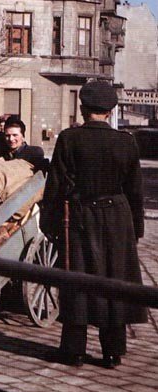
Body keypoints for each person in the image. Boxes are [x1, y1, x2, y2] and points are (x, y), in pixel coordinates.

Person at [40, 80, 146, 369]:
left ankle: (73, 350)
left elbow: (56, 185)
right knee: (115, 280)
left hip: (80, 216)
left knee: (77, 279)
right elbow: (135, 190)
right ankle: (113, 351)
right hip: (118, 218)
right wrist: (136, 228)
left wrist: (48, 223)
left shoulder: (69, 139)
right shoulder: (127, 142)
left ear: (82, 108)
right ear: (111, 111)